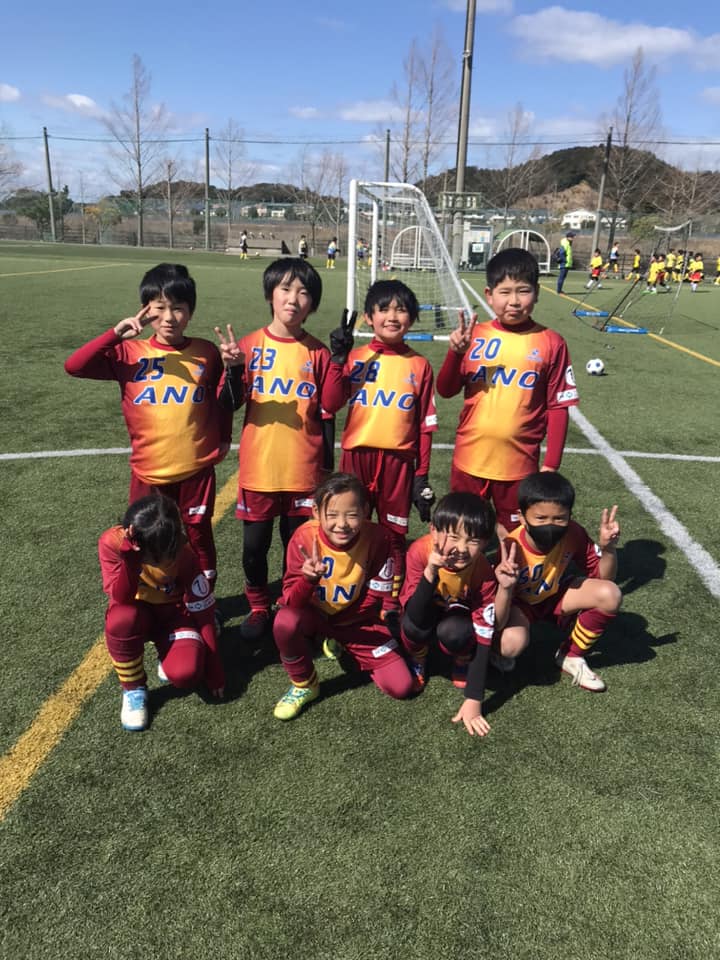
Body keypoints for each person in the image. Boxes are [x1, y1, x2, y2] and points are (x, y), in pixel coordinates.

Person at [65, 263, 240, 590]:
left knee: (199, 535)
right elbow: (74, 366)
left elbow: (223, 401)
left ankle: (203, 600)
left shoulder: (206, 352)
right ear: (145, 310)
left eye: (178, 308)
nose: (169, 317)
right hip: (148, 470)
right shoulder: (129, 352)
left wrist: (225, 433)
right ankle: (153, 599)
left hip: (195, 469)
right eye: (159, 308)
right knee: (145, 536)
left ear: (191, 311)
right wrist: (115, 333)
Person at [220, 258, 343, 642]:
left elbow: (333, 403)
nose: (293, 299)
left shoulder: (317, 353)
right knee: (254, 548)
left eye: (303, 292)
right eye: (285, 289)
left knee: (298, 547)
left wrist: (339, 359)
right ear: (270, 294)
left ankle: (293, 605)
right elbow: (229, 403)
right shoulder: (248, 346)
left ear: (313, 304)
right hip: (260, 469)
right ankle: (258, 607)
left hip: (304, 472)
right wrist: (232, 370)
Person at [437, 248, 579, 538]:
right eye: (505, 292)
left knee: (516, 538)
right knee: (463, 534)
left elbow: (557, 406)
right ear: (489, 295)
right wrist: (455, 354)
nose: (514, 301)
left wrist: (551, 465)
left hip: (519, 466)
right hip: (469, 459)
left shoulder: (552, 342)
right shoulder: (474, 336)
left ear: (537, 293)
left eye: (523, 291)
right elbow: (446, 390)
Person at [324, 280, 438, 618]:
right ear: (369, 317)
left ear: (412, 318)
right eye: (383, 309)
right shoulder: (357, 357)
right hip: (356, 459)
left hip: (397, 463)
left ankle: (389, 603)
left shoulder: (420, 365)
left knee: (393, 534)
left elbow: (425, 426)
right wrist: (337, 360)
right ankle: (346, 594)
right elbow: (330, 402)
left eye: (401, 310)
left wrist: (421, 475)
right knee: (349, 528)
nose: (392, 316)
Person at [271, 472, 415, 719]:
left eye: (351, 514)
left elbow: (376, 595)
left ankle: (339, 642)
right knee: (285, 622)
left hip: (356, 620)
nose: (342, 524)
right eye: (332, 515)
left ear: (365, 511)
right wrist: (308, 580)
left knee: (401, 686)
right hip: (314, 616)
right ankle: (304, 683)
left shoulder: (379, 538)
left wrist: (343, 625)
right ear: (316, 512)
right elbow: (292, 603)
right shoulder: (304, 538)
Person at [98, 494, 225, 731]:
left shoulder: (183, 554)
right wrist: (130, 563)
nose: (166, 560)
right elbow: (122, 598)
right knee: (120, 619)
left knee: (185, 674)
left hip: (174, 615)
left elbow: (204, 615)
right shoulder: (112, 543)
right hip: (137, 614)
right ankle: (133, 688)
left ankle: (168, 649)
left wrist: (214, 669)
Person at [400, 493, 518, 732]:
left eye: (473, 541)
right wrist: (431, 571)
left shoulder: (482, 571)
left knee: (457, 632)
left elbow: (487, 629)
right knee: (411, 625)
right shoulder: (419, 552)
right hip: (424, 612)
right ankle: (418, 655)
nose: (462, 549)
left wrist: (474, 698)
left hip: (455, 618)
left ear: (485, 543)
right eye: (454, 537)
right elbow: (414, 612)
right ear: (434, 531)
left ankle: (462, 658)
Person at [497, 471, 622, 693]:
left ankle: (571, 655)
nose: (550, 525)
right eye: (541, 518)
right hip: (520, 604)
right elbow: (495, 602)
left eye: (559, 519)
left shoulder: (573, 532)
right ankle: (494, 649)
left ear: (570, 516)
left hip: (555, 595)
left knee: (610, 594)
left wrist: (608, 548)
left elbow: (604, 578)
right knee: (510, 645)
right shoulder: (510, 546)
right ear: (522, 517)